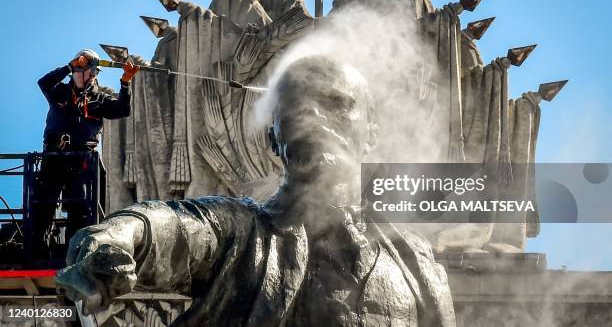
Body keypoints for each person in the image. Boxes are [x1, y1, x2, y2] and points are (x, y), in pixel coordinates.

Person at [55, 56, 455, 326]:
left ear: (371, 135)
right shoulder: (243, 234)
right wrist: (119, 235)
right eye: (295, 107)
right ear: (272, 138)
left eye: (335, 103)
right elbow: (176, 227)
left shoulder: (416, 262)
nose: (312, 115)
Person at [33, 49, 139, 258]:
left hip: (81, 159)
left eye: (94, 73)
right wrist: (68, 67)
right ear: (77, 71)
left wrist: (125, 82)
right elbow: (43, 83)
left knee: (80, 206)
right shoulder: (60, 92)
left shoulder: (98, 99)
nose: (92, 76)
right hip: (54, 156)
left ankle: (76, 253)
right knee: (43, 204)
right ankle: (38, 251)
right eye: (89, 71)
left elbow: (122, 109)